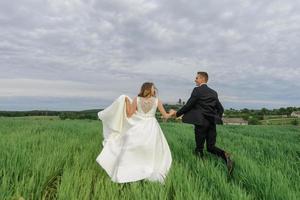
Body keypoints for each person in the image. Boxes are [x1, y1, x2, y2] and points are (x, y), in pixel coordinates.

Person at [96, 82, 175, 183]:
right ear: (149, 89)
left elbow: (129, 114)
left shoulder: (136, 100)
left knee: (135, 146)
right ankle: (147, 167)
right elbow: (165, 116)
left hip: (139, 126)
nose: (154, 90)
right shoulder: (157, 101)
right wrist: (172, 112)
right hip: (152, 127)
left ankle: (133, 168)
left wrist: (127, 102)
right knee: (151, 148)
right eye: (153, 88)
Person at [172, 72, 234, 175]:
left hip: (200, 123)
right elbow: (220, 109)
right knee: (210, 147)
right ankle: (225, 155)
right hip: (211, 123)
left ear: (202, 79)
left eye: (196, 78)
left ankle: (201, 171)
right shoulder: (214, 93)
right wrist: (215, 117)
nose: (195, 80)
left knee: (199, 148)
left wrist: (177, 114)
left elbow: (188, 105)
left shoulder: (197, 90)